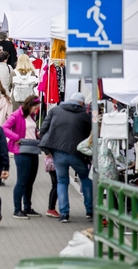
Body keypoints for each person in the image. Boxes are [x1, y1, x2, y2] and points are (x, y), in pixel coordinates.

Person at [38, 92, 92, 223]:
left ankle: (64, 214)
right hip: (78, 153)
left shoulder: (55, 111)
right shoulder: (85, 115)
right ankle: (90, 211)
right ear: (81, 103)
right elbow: (90, 135)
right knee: (85, 179)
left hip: (58, 152)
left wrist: (46, 148)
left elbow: (43, 129)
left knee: (61, 181)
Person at [2, 96, 42, 219]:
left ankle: (27, 207)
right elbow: (4, 127)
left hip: (33, 149)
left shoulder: (32, 116)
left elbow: (30, 130)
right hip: (22, 151)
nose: (36, 110)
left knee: (30, 181)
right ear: (29, 106)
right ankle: (17, 209)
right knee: (22, 180)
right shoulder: (16, 115)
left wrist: (37, 134)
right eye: (35, 108)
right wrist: (16, 138)